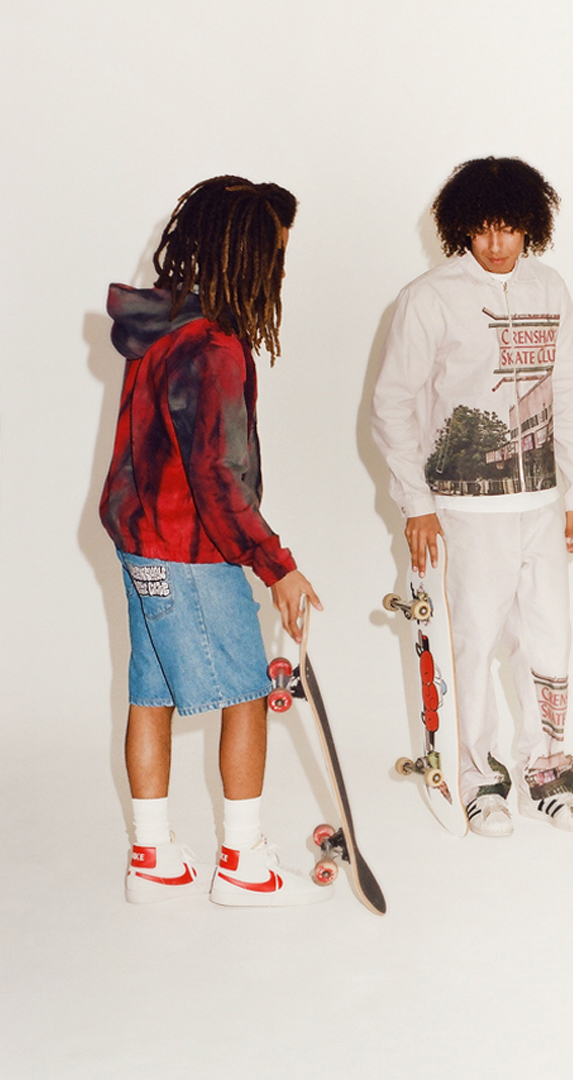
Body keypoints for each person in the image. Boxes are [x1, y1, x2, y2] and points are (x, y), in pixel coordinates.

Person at [101, 176, 328, 906]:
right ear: (243, 254)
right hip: (191, 552)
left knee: (150, 693)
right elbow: (217, 476)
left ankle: (153, 859)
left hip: (140, 548)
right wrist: (277, 567)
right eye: (276, 255)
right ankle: (244, 864)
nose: (280, 273)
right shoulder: (215, 346)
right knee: (249, 696)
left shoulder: (161, 328)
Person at [372, 156, 573, 838]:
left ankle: (549, 776)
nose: (497, 244)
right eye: (483, 229)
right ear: (461, 229)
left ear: (533, 227)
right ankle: (480, 783)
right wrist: (415, 504)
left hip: (543, 506)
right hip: (465, 512)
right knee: (470, 644)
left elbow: (571, 394)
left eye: (511, 229)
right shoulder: (429, 297)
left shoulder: (550, 288)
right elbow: (393, 405)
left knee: (550, 642)